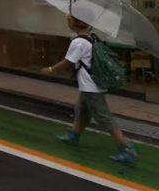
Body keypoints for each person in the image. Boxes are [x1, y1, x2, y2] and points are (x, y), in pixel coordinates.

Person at [43, 15, 138, 164]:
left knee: (104, 118)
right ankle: (74, 135)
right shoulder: (91, 37)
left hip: (91, 87)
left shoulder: (79, 42)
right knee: (81, 110)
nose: (68, 22)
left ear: (74, 24)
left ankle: (127, 148)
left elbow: (68, 62)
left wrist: (50, 69)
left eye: (69, 20)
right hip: (90, 84)